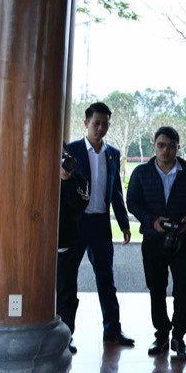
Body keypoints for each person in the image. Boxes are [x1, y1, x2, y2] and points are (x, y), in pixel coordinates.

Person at [126, 127, 186, 359]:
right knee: (156, 287)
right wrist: (152, 221)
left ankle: (179, 336)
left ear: (178, 147)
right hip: (152, 239)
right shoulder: (141, 173)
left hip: (180, 239)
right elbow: (132, 202)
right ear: (154, 146)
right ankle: (161, 334)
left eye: (171, 146)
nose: (166, 150)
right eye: (161, 145)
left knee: (182, 287)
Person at [66, 102, 134, 347]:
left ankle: (112, 330)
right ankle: (66, 335)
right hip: (77, 224)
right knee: (68, 280)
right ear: (86, 123)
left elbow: (116, 191)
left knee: (106, 278)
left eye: (105, 124)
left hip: (101, 225)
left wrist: (124, 223)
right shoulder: (71, 150)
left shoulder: (112, 154)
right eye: (96, 123)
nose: (101, 128)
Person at [56, 144, 90, 354]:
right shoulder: (36, 173)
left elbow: (79, 205)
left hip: (66, 245)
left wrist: (66, 180)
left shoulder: (78, 179)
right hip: (37, 249)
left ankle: (66, 337)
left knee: (67, 294)